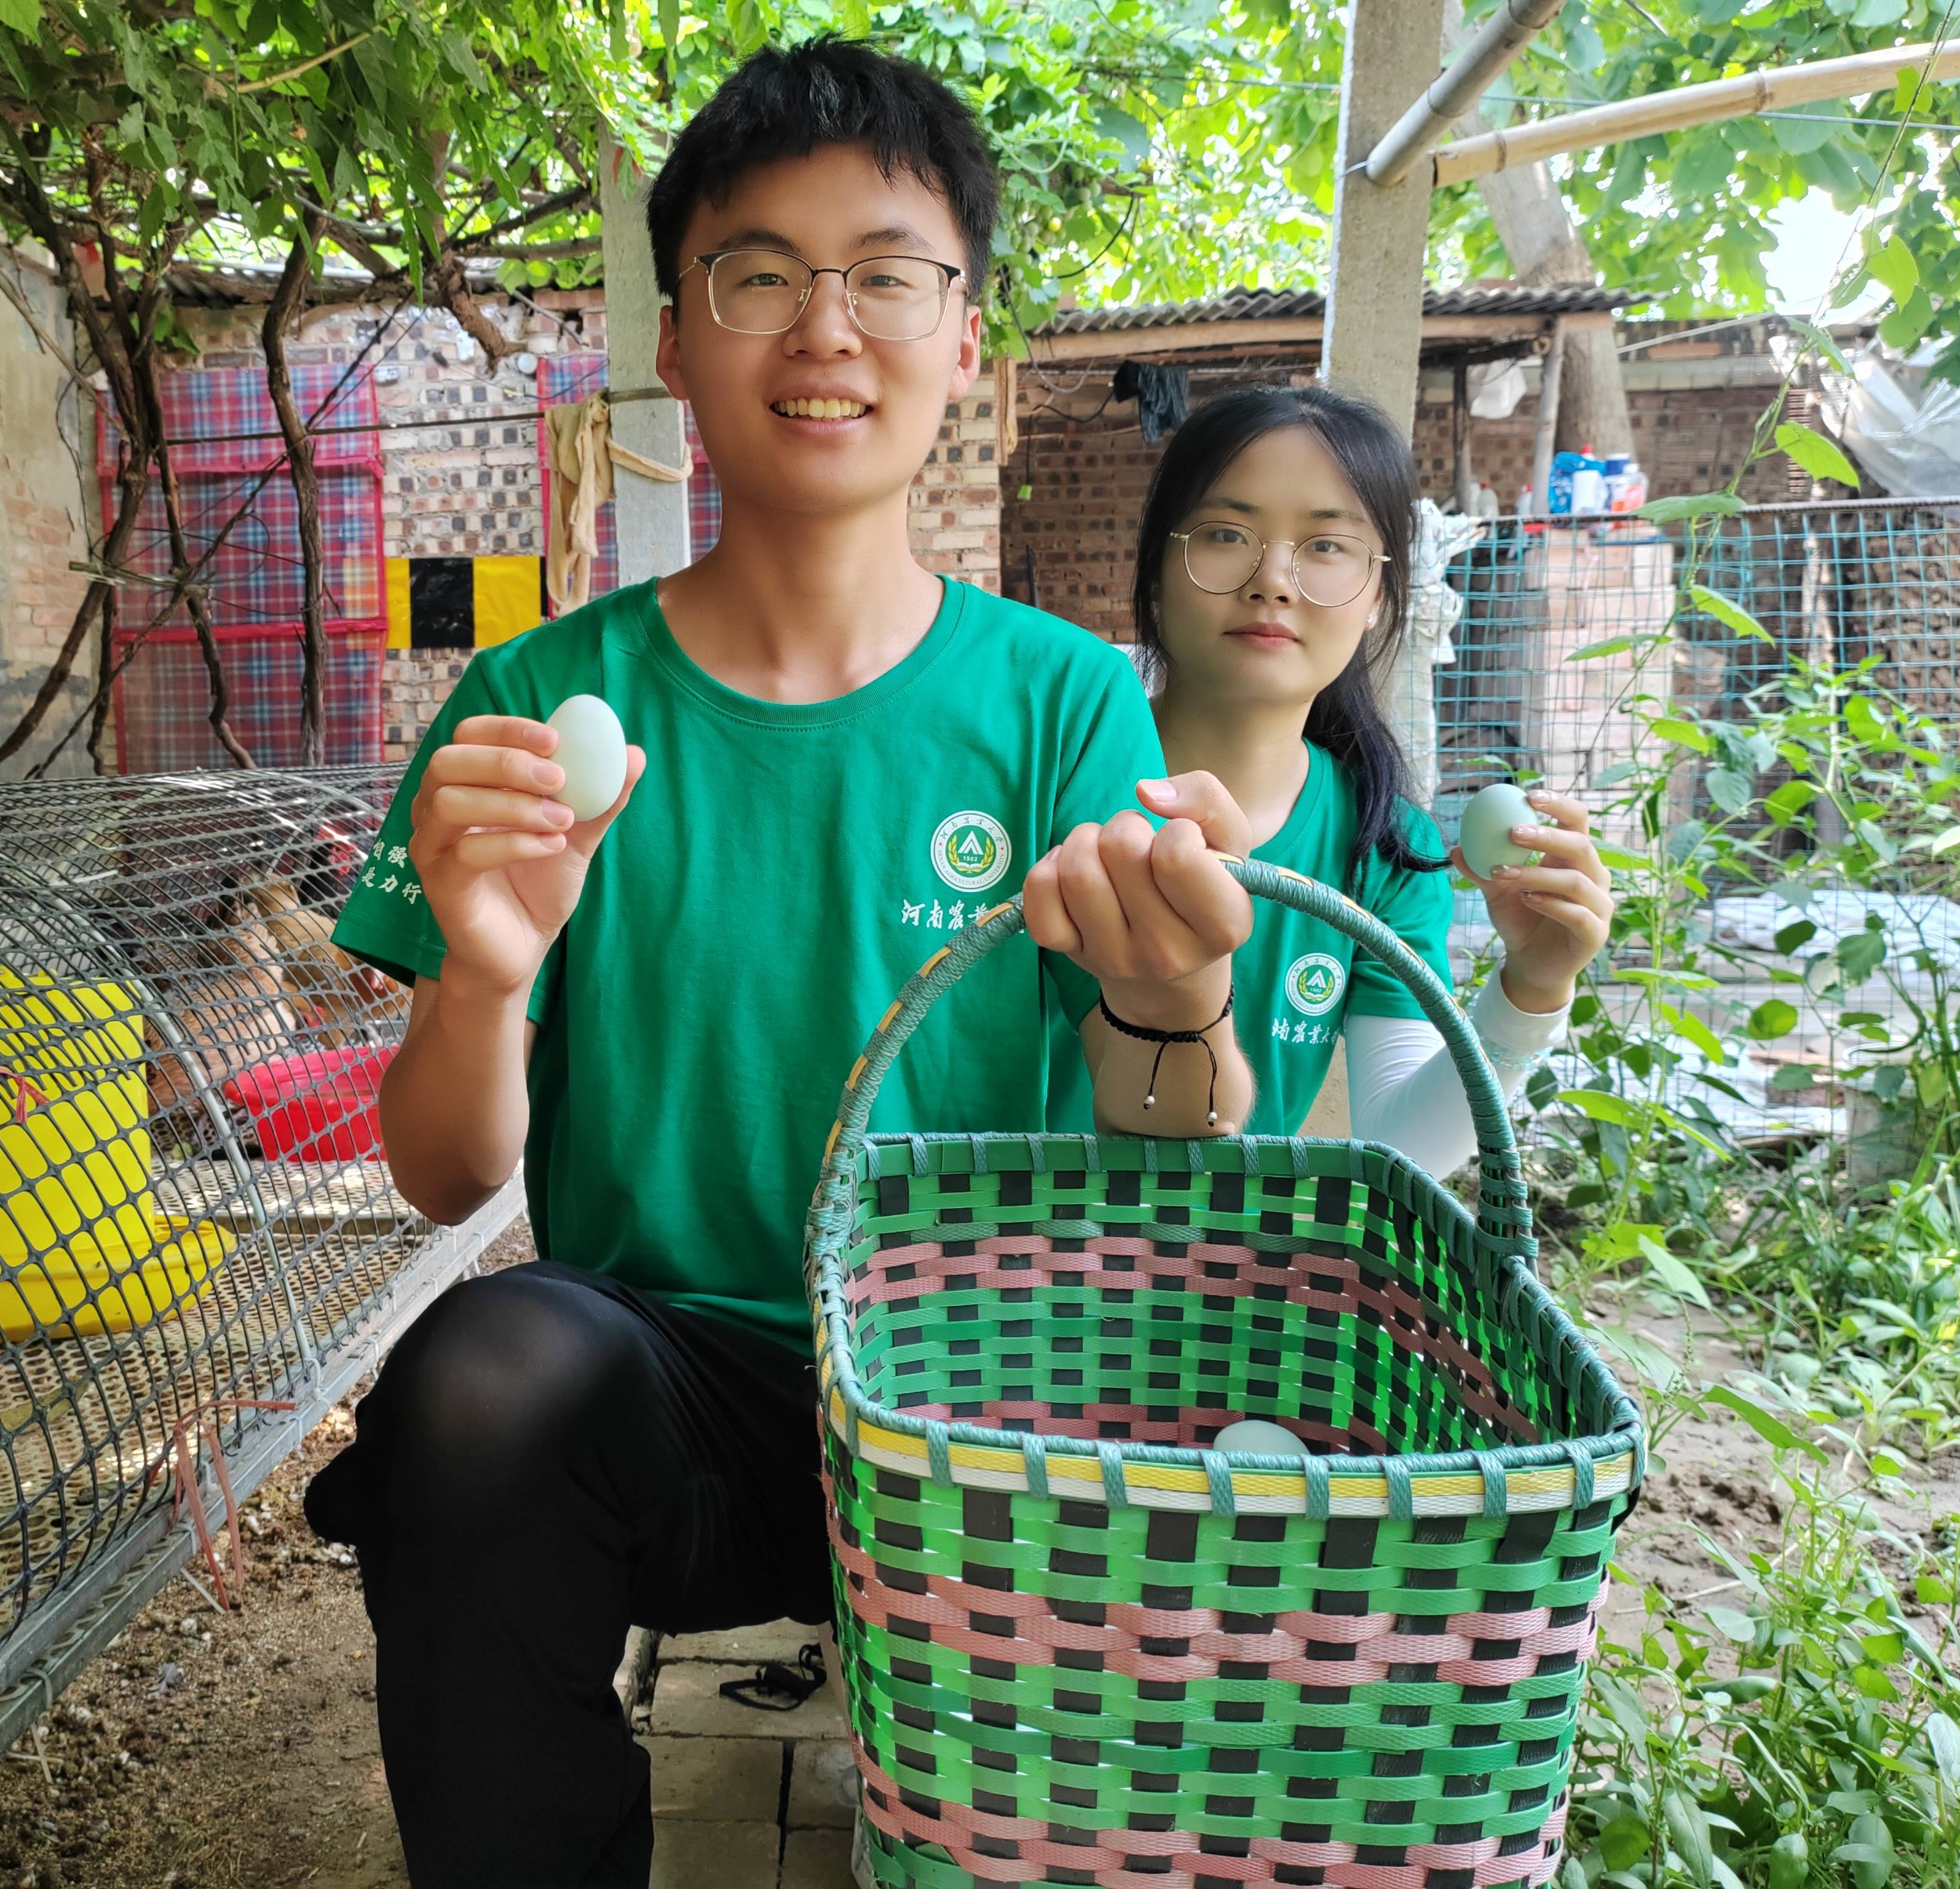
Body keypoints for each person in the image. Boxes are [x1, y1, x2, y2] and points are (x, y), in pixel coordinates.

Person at [304, 39, 1257, 1888]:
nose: (826, 328)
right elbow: (441, 1175)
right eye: (760, 275)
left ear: (965, 336)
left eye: (887, 275)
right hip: (676, 1405)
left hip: (994, 1393)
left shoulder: (1060, 700)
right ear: (674, 340)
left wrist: (1171, 1004)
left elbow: (1176, 1138)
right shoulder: (533, 708)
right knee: (481, 1374)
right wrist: (490, 977)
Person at [1134, 384, 1616, 1170]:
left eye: (1327, 546)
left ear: (1377, 598)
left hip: (1213, 1280)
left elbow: (1400, 1148)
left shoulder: (1383, 848)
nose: (1275, 581)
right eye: (1226, 533)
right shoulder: (1057, 769)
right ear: (1157, 567)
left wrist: (1532, 986)